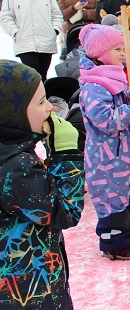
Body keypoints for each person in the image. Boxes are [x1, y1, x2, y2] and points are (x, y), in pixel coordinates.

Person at [0, 60, 85, 309]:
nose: (50, 107)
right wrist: (66, 153)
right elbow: (66, 211)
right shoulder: (14, 168)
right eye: (40, 102)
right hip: (29, 295)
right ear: (10, 113)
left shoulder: (11, 153)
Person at [78, 24, 130, 260]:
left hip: (122, 153)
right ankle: (114, 243)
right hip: (106, 157)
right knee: (111, 198)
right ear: (101, 53)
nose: (124, 53)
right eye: (118, 48)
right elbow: (106, 120)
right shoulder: (95, 86)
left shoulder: (113, 77)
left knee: (127, 193)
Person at [0, 0, 63, 80]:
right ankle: (33, 98)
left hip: (46, 41)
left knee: (43, 75)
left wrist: (54, 30)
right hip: (25, 42)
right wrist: (15, 32)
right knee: (32, 76)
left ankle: (44, 97)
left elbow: (56, 15)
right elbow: (6, 17)